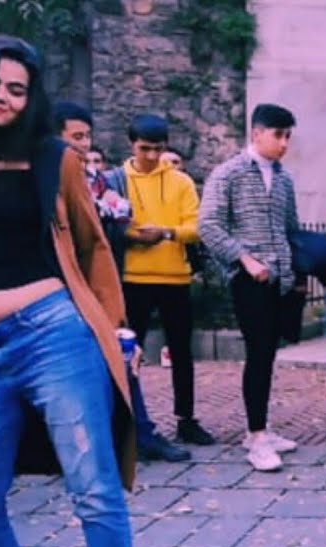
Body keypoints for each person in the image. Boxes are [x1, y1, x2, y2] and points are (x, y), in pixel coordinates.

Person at [0, 35, 143, 547]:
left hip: (53, 334)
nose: (7, 99)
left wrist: (116, 329)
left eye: (19, 89)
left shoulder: (54, 159)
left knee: (92, 485)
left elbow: (95, 246)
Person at [53, 103, 190, 463]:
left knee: (122, 354)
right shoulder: (43, 175)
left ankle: (138, 434)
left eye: (88, 136)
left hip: (95, 281)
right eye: (77, 137)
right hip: (56, 284)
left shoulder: (95, 179)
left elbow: (107, 224)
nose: (85, 145)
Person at [199, 103, 302, 472]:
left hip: (280, 279)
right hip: (249, 278)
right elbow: (208, 225)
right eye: (278, 135)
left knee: (269, 353)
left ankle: (261, 428)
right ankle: (256, 437)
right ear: (256, 133)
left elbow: (291, 228)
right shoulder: (228, 174)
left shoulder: (285, 179)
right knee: (258, 352)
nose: (284, 143)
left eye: (288, 135)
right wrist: (244, 259)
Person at [116, 113, 216, 447]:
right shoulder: (117, 180)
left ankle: (186, 420)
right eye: (145, 149)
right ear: (132, 144)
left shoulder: (181, 182)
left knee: (182, 352)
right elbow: (107, 225)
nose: (152, 156)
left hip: (175, 277)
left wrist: (167, 233)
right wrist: (133, 236)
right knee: (130, 353)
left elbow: (197, 227)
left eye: (158, 149)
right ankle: (130, 419)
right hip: (132, 278)